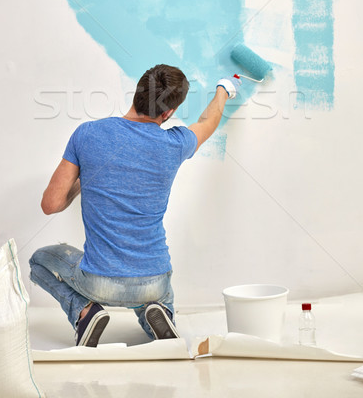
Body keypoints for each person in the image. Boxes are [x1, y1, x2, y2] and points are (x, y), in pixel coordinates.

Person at [29, 64, 241, 347]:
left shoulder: (87, 134)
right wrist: (223, 91)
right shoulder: (175, 143)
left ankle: (85, 311)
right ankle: (157, 311)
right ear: (168, 113)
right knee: (155, 295)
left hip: (97, 281)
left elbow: (51, 204)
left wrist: (86, 176)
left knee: (39, 261)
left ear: (137, 93)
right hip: (154, 281)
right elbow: (208, 122)